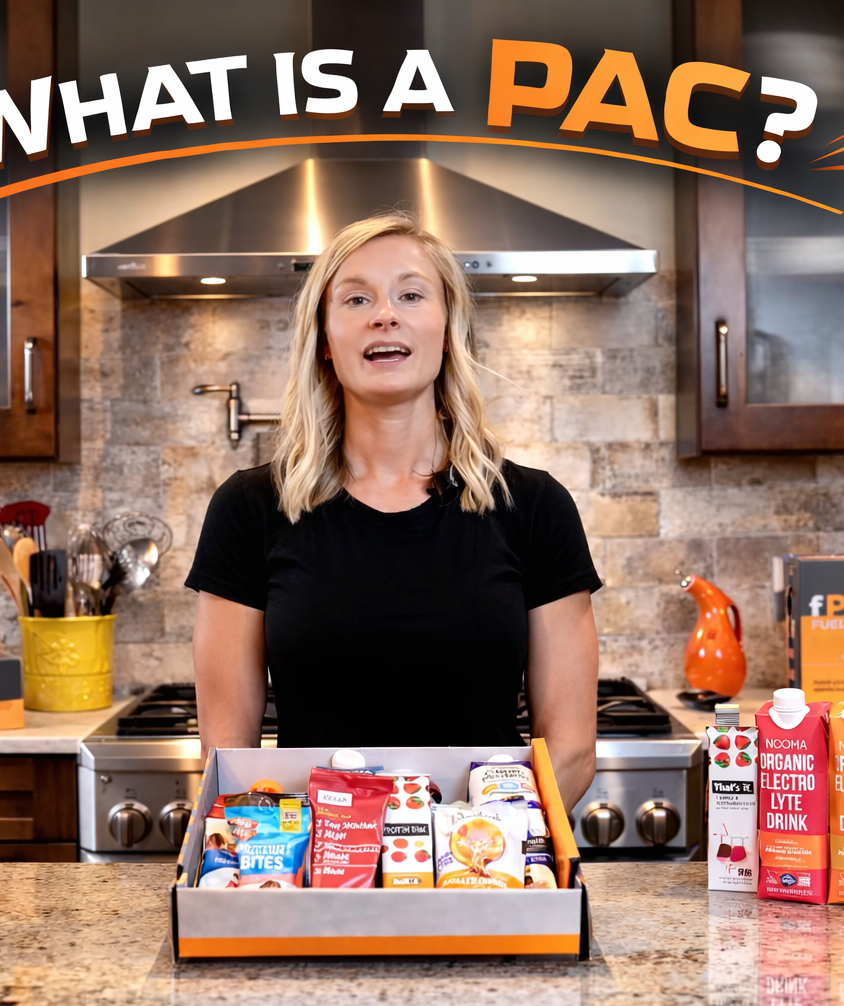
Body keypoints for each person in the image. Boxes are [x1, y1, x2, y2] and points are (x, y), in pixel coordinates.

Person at [184, 212, 600, 806]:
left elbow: (571, 750)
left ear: (447, 327)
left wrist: (472, 848)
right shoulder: (249, 510)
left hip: (487, 876)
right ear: (326, 341)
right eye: (356, 298)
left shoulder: (534, 508)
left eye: (410, 294)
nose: (385, 313)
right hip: (315, 881)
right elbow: (227, 757)